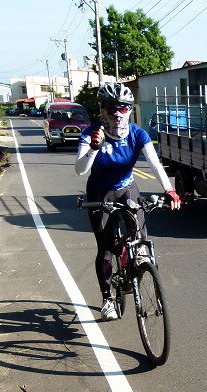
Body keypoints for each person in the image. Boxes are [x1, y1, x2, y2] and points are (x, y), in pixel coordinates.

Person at [75, 82, 181, 321]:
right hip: (100, 192)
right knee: (105, 248)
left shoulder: (137, 134)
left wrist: (170, 190)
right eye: (112, 108)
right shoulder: (90, 133)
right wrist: (94, 148)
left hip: (126, 187)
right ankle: (107, 299)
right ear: (102, 110)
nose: (117, 113)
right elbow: (80, 170)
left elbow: (155, 164)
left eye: (123, 108)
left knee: (140, 236)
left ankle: (134, 263)